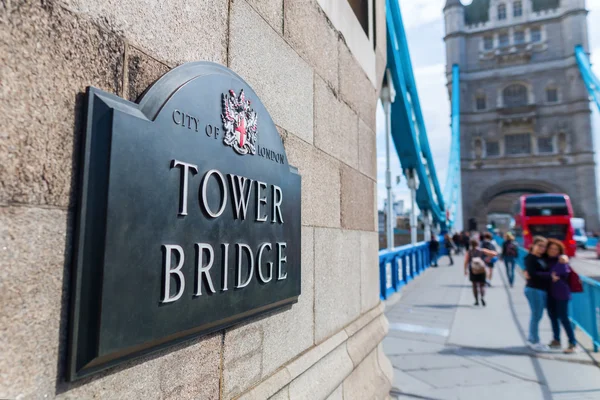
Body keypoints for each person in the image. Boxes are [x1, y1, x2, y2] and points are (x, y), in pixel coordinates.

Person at [543, 239, 577, 354]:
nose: (553, 251)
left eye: (555, 249)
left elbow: (564, 272)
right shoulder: (545, 260)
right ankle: (556, 340)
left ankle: (572, 343)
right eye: (551, 249)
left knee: (564, 318)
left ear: (560, 251)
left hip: (561, 294)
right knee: (553, 317)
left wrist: (564, 259)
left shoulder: (562, 261)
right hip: (549, 293)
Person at [524, 236, 550, 351]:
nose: (542, 248)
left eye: (544, 246)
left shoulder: (543, 258)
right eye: (539, 245)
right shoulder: (530, 258)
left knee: (537, 315)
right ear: (533, 245)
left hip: (541, 289)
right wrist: (548, 276)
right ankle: (534, 340)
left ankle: (532, 338)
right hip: (534, 289)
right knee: (536, 315)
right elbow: (532, 273)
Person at [464, 238, 497, 306]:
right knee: (482, 285)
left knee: (474, 285)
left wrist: (465, 270)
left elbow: (466, 262)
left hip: (473, 269)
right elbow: (494, 254)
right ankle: (482, 297)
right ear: (478, 243)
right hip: (482, 269)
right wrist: (488, 258)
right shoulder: (482, 250)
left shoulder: (469, 251)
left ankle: (476, 300)